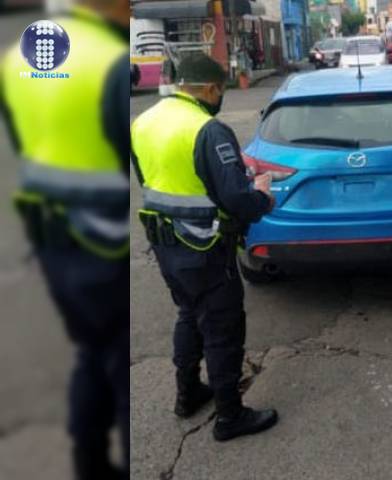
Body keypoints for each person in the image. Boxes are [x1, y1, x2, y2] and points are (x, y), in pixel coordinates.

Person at [0, 0, 130, 478]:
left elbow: (23, 142)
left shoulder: (17, 57)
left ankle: (88, 464)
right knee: (121, 371)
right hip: (105, 246)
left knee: (90, 352)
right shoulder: (112, 62)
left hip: (50, 238)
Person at [131, 53, 278, 442]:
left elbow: (150, 180)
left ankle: (188, 394)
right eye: (220, 90)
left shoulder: (143, 121)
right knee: (222, 327)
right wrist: (262, 197)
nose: (221, 97)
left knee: (188, 314)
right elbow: (237, 200)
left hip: (165, 244)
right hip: (206, 247)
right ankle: (230, 416)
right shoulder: (208, 130)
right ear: (211, 88)